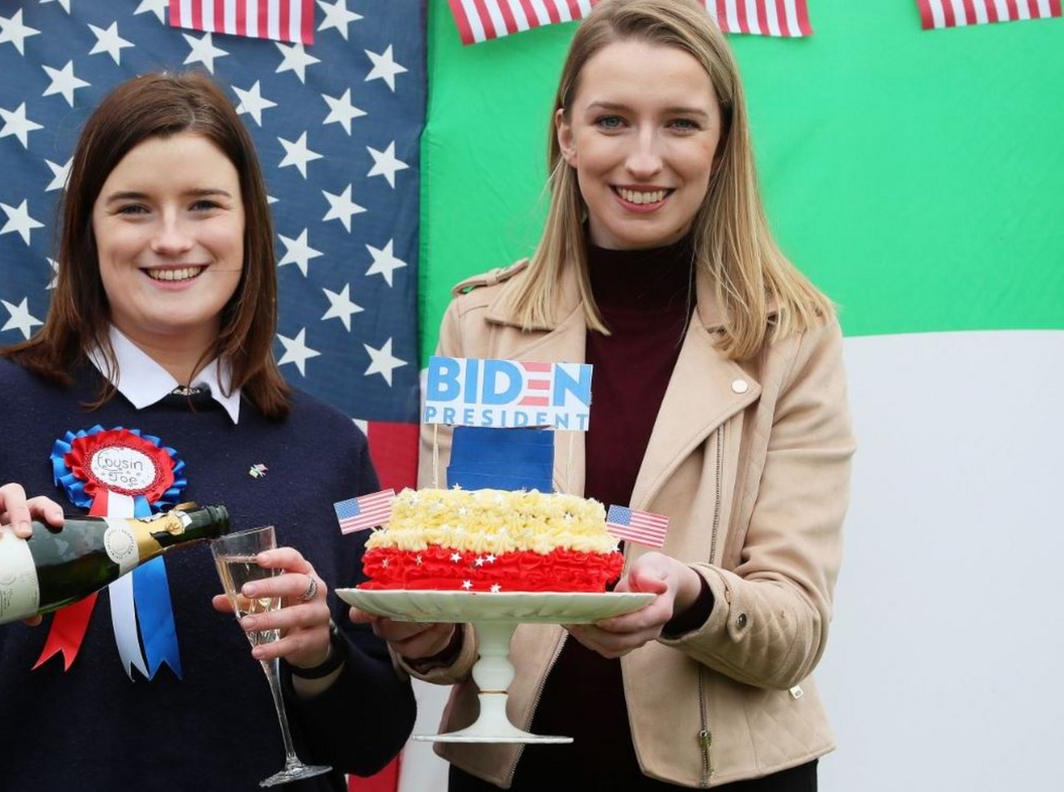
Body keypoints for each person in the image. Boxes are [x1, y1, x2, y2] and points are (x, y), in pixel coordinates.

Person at [0, 72, 415, 791]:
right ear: (88, 229)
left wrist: (318, 656)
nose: (172, 239)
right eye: (134, 208)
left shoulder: (336, 450)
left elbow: (378, 739)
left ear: (248, 228)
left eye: (204, 205)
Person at [353, 0, 854, 788]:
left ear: (722, 145)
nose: (644, 160)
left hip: (730, 775)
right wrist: (415, 628)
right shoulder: (481, 324)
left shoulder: (791, 336)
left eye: (681, 124)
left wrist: (689, 599)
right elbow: (463, 604)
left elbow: (796, 626)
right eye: (613, 120)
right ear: (566, 135)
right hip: (513, 769)